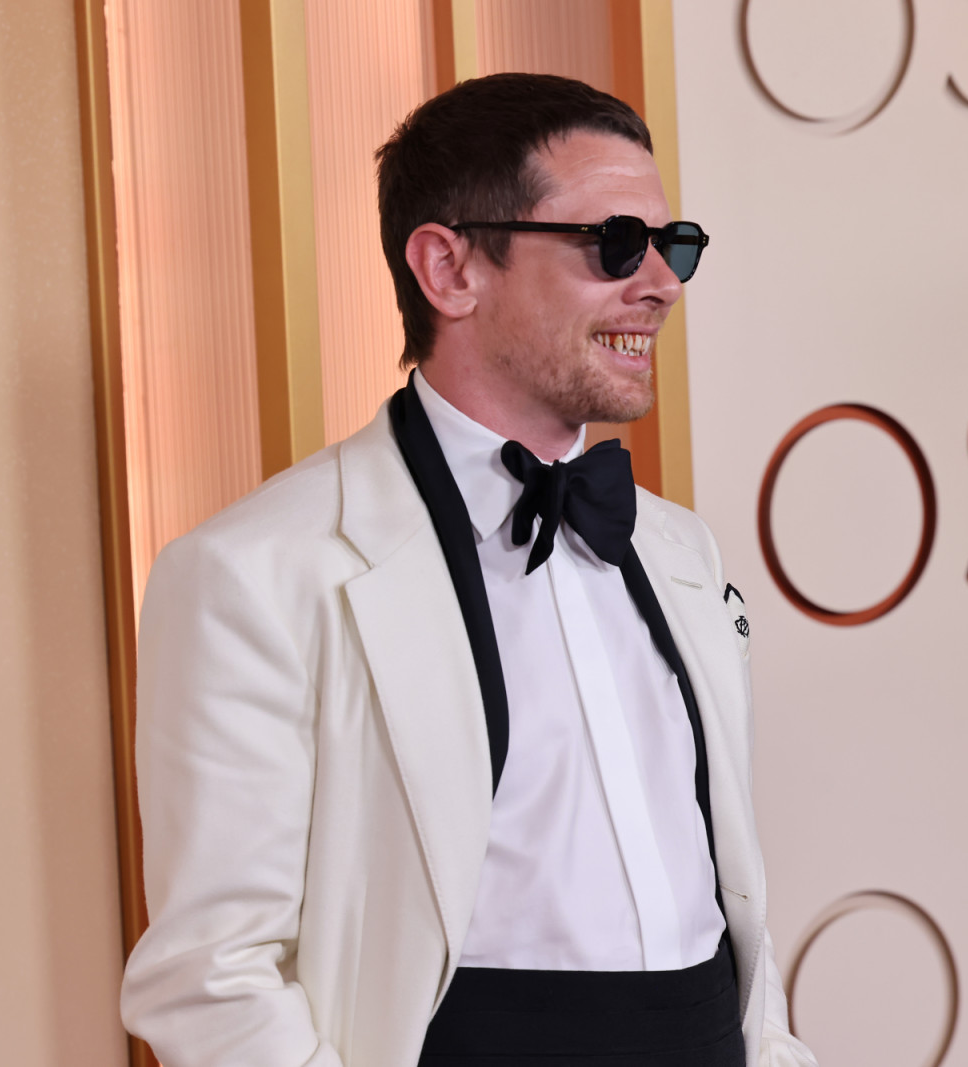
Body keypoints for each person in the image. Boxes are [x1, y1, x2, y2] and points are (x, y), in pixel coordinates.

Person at [120, 72, 817, 1067]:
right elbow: (211, 972)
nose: (662, 284)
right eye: (615, 243)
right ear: (448, 269)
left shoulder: (680, 550)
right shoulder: (253, 575)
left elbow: (725, 892)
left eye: (673, 245)